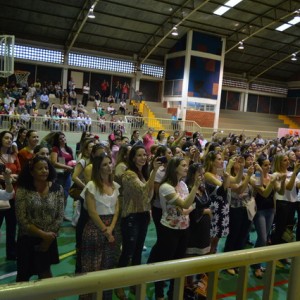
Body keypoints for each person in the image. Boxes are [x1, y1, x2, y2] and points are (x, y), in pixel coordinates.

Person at [149, 157, 201, 300]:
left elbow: (187, 206)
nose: (186, 168)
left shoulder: (183, 185)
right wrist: (195, 189)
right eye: (183, 165)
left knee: (178, 264)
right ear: (174, 168)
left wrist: (188, 207)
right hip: (169, 230)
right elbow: (186, 205)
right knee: (165, 263)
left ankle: (173, 294)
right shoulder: (166, 187)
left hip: (184, 228)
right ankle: (159, 294)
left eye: (187, 165)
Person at [116, 144, 160, 299]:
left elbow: (149, 195)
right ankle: (119, 285)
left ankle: (134, 283)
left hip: (142, 216)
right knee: (127, 252)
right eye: (139, 155)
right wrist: (154, 171)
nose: (143, 158)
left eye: (145, 155)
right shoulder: (129, 174)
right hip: (131, 217)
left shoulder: (142, 173)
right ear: (133, 157)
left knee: (137, 253)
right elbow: (144, 191)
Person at [15, 156, 64, 282]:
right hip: (27, 239)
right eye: (40, 168)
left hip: (49, 240)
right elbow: (22, 218)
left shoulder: (58, 189)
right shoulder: (23, 189)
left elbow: (59, 216)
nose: (44, 171)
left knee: (45, 274)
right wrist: (43, 234)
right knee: (23, 277)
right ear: (31, 172)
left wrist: (48, 239)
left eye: (46, 168)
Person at [79, 154, 120, 300]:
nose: (109, 166)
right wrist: (106, 230)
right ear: (98, 168)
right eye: (105, 164)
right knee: (92, 267)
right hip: (95, 230)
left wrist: (111, 228)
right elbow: (92, 212)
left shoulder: (115, 186)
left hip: (111, 229)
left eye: (110, 163)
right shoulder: (92, 186)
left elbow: (116, 210)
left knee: (107, 267)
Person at [50, 132, 74, 219]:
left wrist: (72, 166)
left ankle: (62, 214)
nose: (63, 139)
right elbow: (54, 162)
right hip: (58, 175)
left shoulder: (69, 149)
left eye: (64, 137)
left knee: (65, 194)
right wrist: (67, 166)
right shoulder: (55, 149)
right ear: (57, 140)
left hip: (67, 175)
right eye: (60, 138)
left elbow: (72, 161)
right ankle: (55, 214)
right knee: (57, 194)